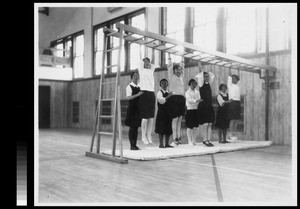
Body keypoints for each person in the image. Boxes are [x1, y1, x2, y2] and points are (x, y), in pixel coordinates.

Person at [138, 48, 157, 145]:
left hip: (151, 93)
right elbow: (141, 59)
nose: (147, 63)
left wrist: (153, 50)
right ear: (142, 63)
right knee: (144, 118)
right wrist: (142, 46)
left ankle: (149, 136)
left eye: (148, 62)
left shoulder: (151, 70)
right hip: (144, 93)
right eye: (145, 62)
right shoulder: (141, 70)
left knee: (151, 117)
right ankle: (143, 136)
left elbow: (153, 60)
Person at [195, 62, 215, 147]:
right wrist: (200, 65)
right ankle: (204, 140)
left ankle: (208, 140)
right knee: (205, 124)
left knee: (210, 124)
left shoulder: (209, 84)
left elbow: (212, 75)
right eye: (205, 76)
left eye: (207, 76)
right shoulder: (201, 83)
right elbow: (200, 74)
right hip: (203, 106)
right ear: (202, 77)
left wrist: (206, 73)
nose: (206, 77)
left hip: (209, 105)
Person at [167, 56, 186, 146]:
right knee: (174, 119)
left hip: (181, 98)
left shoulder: (181, 76)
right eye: (177, 70)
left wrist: (182, 57)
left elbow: (183, 66)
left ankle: (178, 138)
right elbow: (170, 66)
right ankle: (174, 138)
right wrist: (169, 56)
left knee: (179, 119)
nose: (179, 71)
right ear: (174, 71)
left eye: (180, 69)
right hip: (174, 98)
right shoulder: (171, 76)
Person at [125, 72, 143, 150]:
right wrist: (137, 95)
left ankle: (135, 145)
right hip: (132, 109)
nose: (136, 77)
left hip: (138, 109)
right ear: (132, 77)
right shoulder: (129, 86)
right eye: (134, 76)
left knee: (136, 128)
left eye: (137, 76)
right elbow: (128, 98)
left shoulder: (140, 86)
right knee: (132, 127)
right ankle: (131, 145)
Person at [155, 79, 174, 148]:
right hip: (162, 113)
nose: (164, 84)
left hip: (168, 113)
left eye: (165, 83)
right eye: (162, 83)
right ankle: (161, 144)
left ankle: (167, 143)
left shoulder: (169, 92)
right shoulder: (159, 93)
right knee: (161, 128)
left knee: (168, 128)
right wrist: (169, 96)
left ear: (167, 84)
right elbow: (161, 101)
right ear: (160, 85)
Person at [185, 79, 202, 146]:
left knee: (195, 126)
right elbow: (189, 100)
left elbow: (199, 99)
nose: (194, 85)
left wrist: (197, 101)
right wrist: (196, 101)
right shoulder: (187, 92)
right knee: (190, 126)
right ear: (190, 84)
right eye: (193, 84)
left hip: (196, 110)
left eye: (195, 83)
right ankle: (189, 141)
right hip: (190, 110)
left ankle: (194, 140)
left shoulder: (197, 92)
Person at [227, 68, 241, 140]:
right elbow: (229, 77)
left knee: (236, 119)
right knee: (232, 119)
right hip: (232, 102)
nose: (233, 79)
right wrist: (229, 67)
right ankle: (230, 134)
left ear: (237, 80)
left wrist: (238, 69)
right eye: (232, 78)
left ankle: (234, 134)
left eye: (234, 78)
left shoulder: (237, 86)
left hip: (237, 102)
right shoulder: (230, 85)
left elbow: (239, 77)